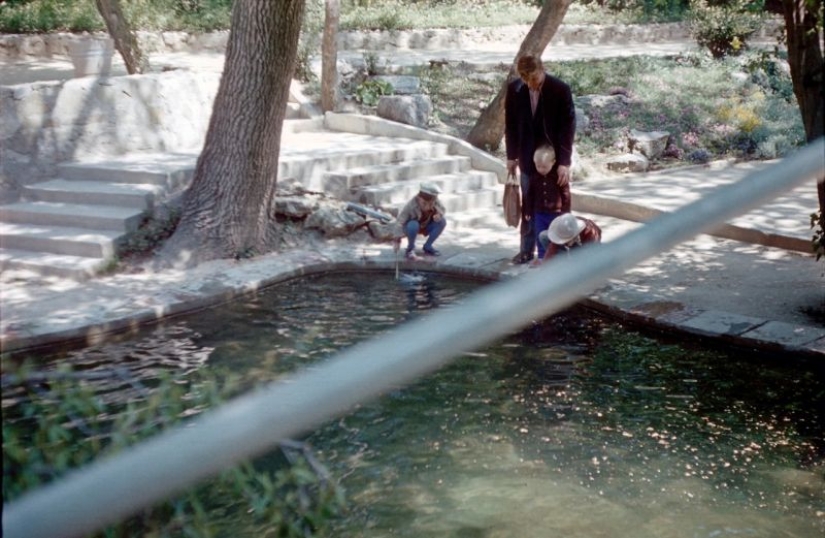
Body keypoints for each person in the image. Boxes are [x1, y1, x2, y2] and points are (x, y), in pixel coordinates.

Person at [505, 54, 576, 265]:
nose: (531, 84)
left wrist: (564, 162)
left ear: (542, 69)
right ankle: (526, 250)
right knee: (529, 203)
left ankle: (559, 249)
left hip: (552, 158)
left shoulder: (560, 89)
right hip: (528, 157)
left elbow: (568, 127)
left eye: (534, 78)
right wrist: (511, 156)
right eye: (526, 79)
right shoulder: (515, 89)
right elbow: (511, 124)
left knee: (558, 206)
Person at [523, 144, 570, 260]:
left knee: (557, 235)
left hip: (556, 213)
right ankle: (542, 257)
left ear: (553, 162)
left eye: (544, 167)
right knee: (540, 234)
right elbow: (529, 195)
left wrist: (565, 212)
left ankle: (558, 256)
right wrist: (527, 210)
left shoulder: (558, 177)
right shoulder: (534, 178)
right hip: (539, 213)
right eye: (538, 166)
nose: (541, 169)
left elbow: (565, 194)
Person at [392, 182, 447, 260]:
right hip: (411, 228)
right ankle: (410, 249)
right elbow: (400, 221)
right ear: (419, 198)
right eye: (424, 203)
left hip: (426, 225)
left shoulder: (435, 200)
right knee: (413, 224)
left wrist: (439, 214)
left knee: (442, 221)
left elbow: (443, 209)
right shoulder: (411, 205)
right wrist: (397, 240)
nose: (427, 205)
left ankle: (428, 246)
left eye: (430, 203)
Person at [536, 212, 602, 263]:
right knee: (543, 236)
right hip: (574, 241)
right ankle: (562, 260)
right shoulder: (566, 227)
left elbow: (588, 259)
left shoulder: (591, 235)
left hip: (582, 247)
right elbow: (552, 248)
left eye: (565, 240)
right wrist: (544, 265)